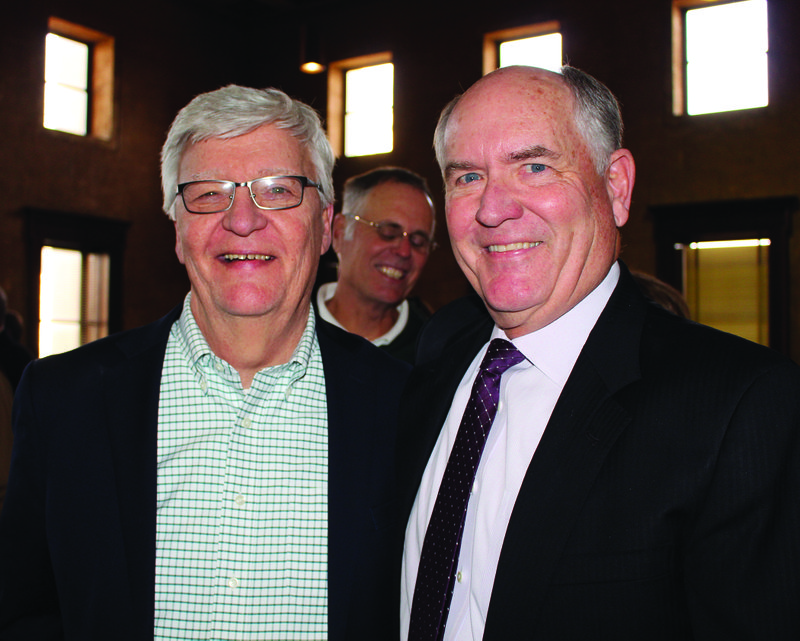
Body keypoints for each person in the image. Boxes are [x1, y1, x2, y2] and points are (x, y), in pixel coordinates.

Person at [399, 65, 800, 640]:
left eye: (534, 166)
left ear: (616, 186)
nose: (492, 209)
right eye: (467, 177)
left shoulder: (742, 407)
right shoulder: (437, 361)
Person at [0, 85, 409, 641]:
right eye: (209, 194)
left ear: (325, 225)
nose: (242, 220)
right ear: (176, 230)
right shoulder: (64, 399)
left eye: (278, 190)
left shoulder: (407, 405)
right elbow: (25, 611)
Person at [316, 167, 436, 364]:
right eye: (388, 232)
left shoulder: (436, 357)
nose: (404, 251)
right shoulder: (287, 329)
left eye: (418, 241)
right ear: (338, 232)